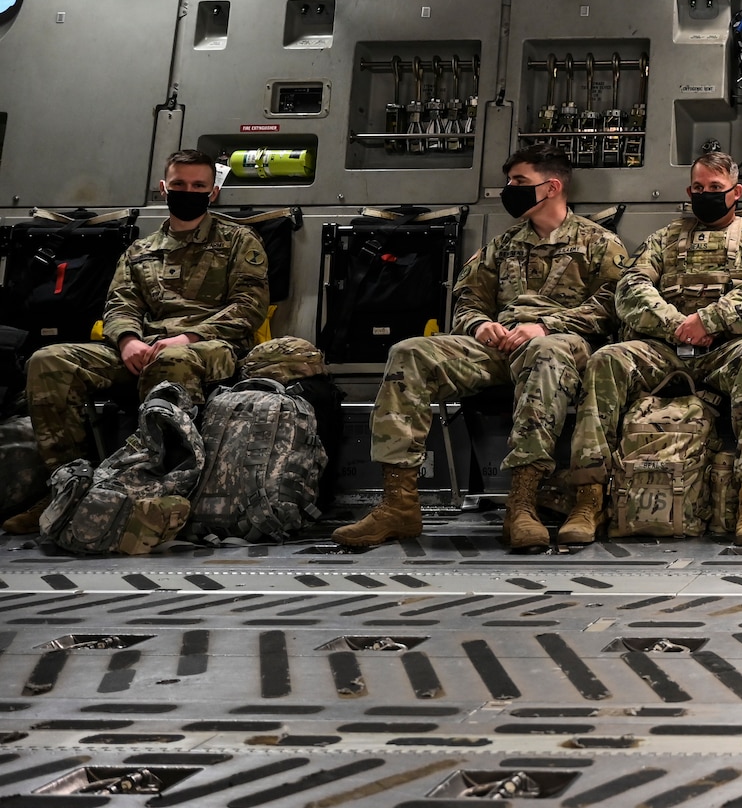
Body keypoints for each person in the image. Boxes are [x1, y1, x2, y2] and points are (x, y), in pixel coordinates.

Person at [333, 145, 626, 551]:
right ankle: (398, 504)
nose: (509, 190)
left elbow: (610, 309)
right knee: (410, 352)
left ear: (552, 186)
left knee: (546, 352)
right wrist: (480, 324)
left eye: (519, 182)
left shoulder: (601, 244)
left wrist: (544, 325)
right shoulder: (502, 245)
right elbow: (468, 298)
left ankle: (521, 505)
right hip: (498, 346)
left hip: (562, 347)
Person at [3, 150, 270, 534]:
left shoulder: (239, 241)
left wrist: (188, 336)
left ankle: (160, 492)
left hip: (211, 347)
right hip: (144, 348)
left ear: (213, 193)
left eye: (198, 185)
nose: (187, 191)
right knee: (49, 360)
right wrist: (128, 340)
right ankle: (66, 488)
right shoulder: (141, 251)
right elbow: (119, 305)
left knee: (171, 362)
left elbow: (248, 307)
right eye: (179, 184)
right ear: (164, 189)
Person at [578, 151, 742, 546]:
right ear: (689, 190)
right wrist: (677, 324)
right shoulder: (665, 238)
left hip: (729, 350)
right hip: (666, 349)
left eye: (716, 188)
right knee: (607, 359)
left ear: (736, 192)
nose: (706, 194)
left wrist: (709, 321)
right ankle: (589, 496)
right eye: (699, 188)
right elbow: (630, 289)